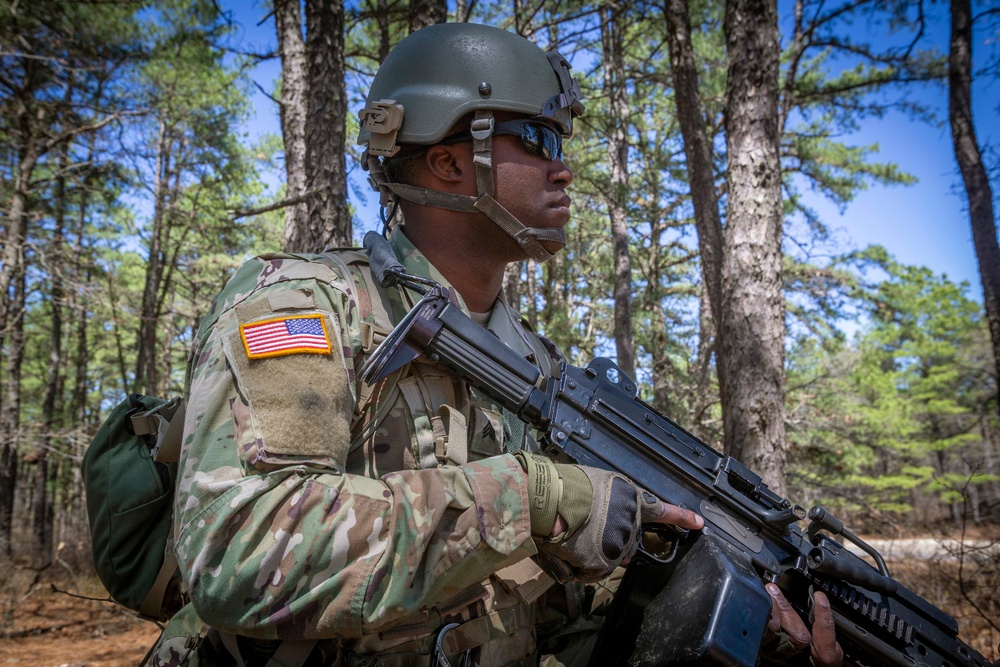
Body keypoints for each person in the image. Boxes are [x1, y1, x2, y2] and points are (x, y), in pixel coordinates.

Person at [149, 22, 843, 667]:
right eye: (539, 140)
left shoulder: (537, 372)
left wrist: (715, 623)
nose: (564, 169)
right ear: (449, 159)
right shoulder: (305, 305)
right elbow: (240, 552)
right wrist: (533, 496)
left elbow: (543, 612)